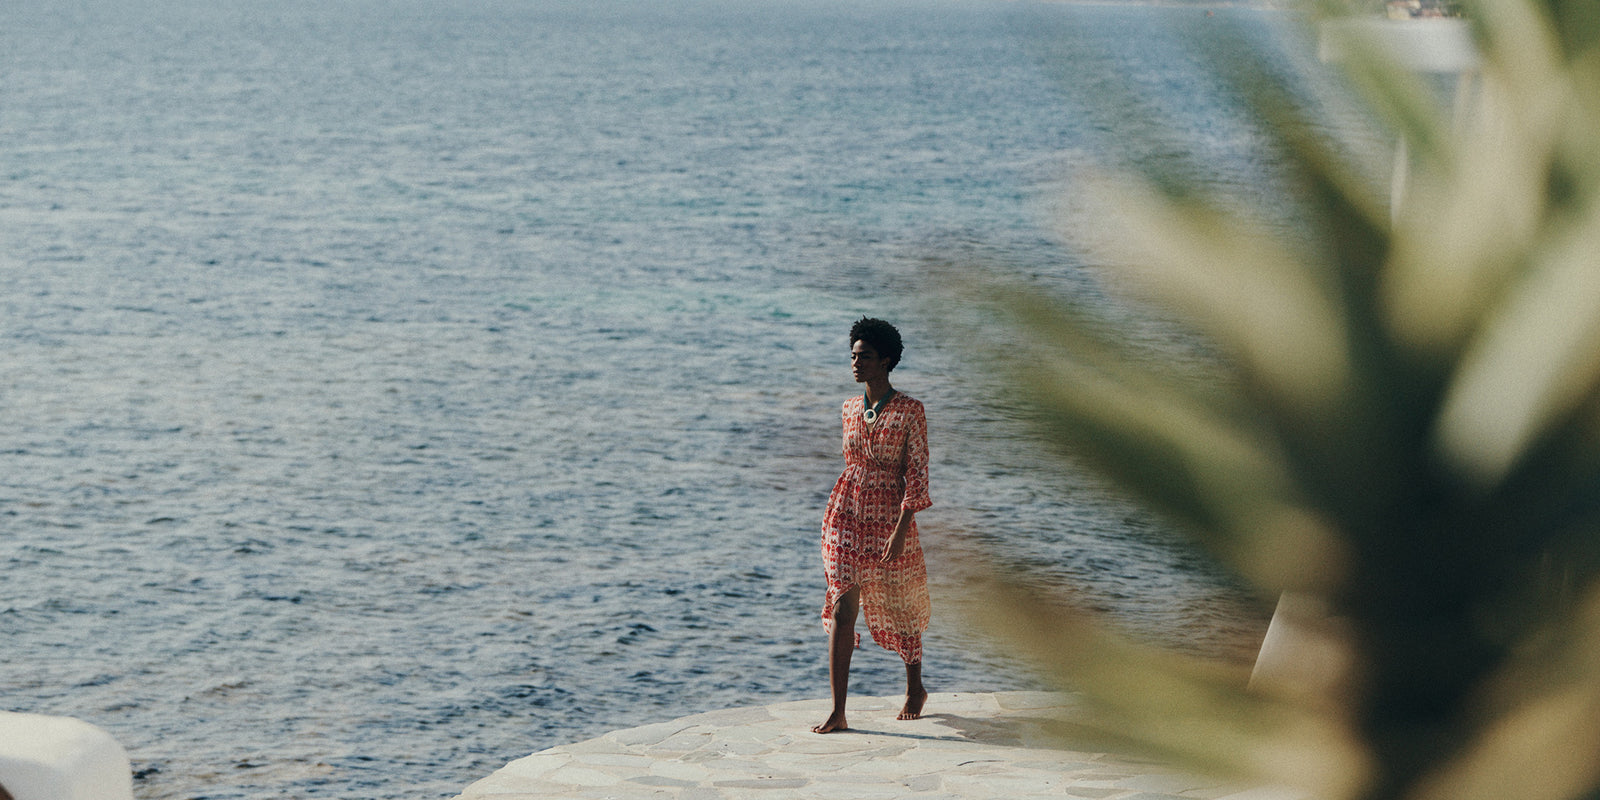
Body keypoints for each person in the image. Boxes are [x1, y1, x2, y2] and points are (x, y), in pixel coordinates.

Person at [812, 317, 932, 734]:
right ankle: (838, 709)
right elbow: (853, 466)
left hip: (889, 516)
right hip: (845, 513)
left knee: (901, 604)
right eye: (853, 356)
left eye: (864, 356)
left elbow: (916, 474)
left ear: (886, 360)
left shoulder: (910, 411)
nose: (855, 363)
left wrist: (901, 529)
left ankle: (915, 687)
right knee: (844, 605)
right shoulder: (848, 408)